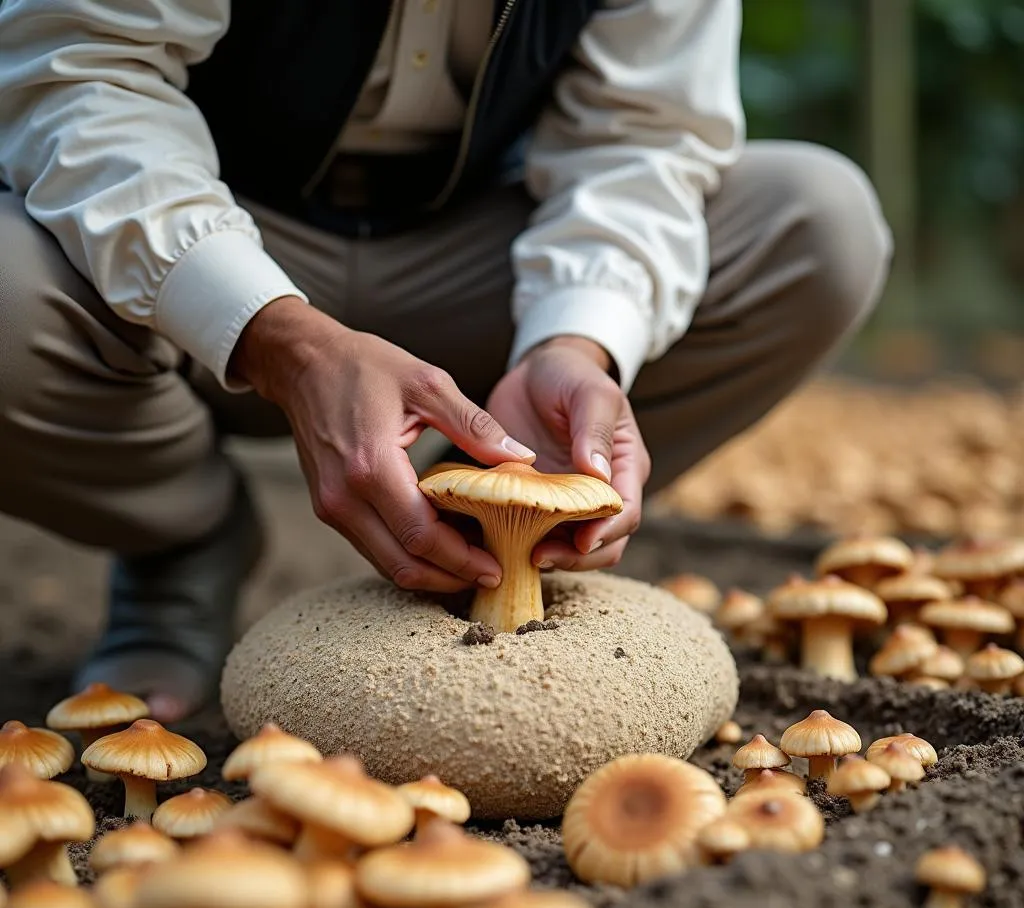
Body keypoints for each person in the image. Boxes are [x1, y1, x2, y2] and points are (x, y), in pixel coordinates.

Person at [0, 0, 891, 721]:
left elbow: (642, 138)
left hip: (480, 257)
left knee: (818, 223)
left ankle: (472, 532)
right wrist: (282, 338)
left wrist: (574, 342)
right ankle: (180, 539)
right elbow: (85, 73)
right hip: (206, 228)